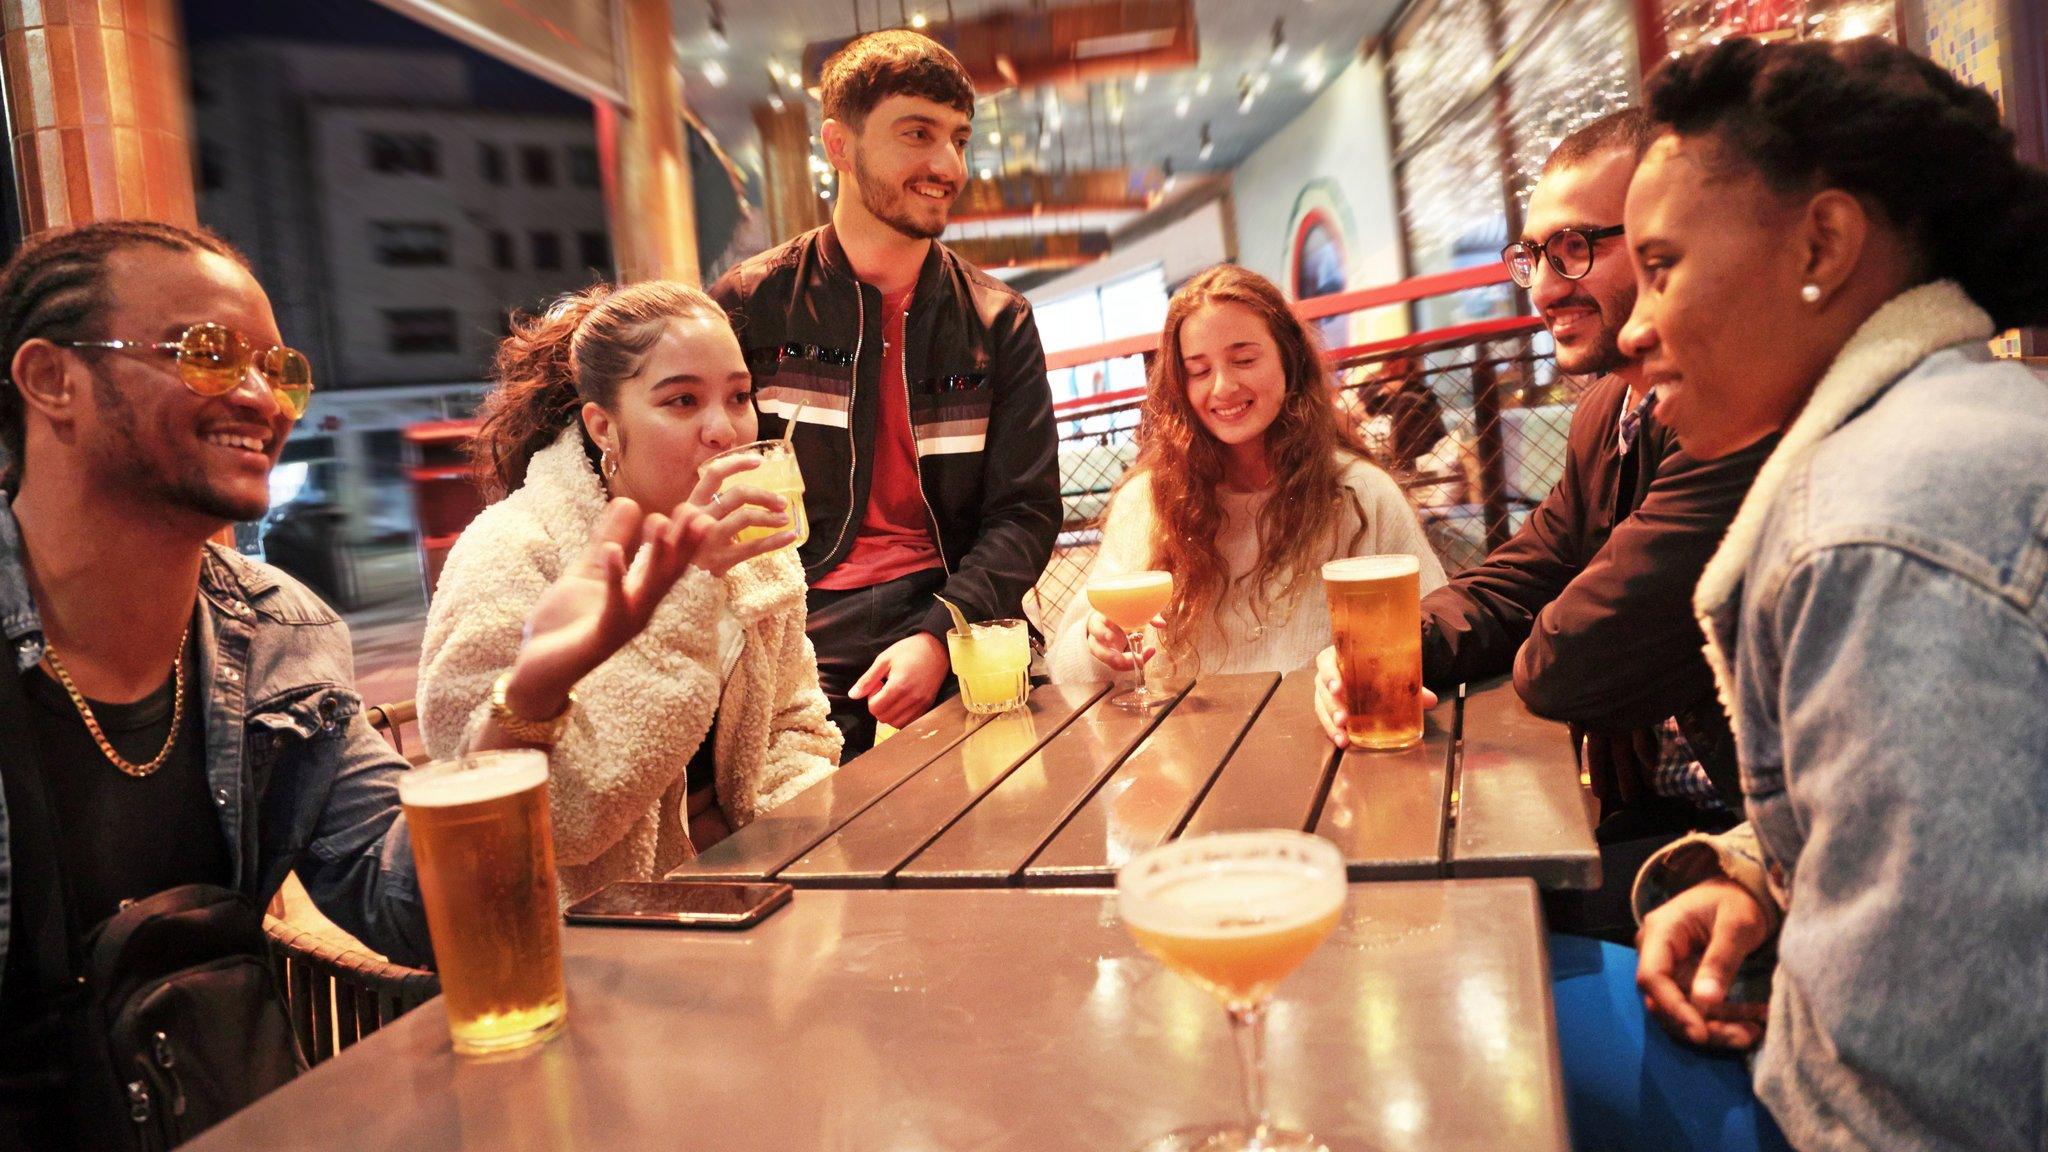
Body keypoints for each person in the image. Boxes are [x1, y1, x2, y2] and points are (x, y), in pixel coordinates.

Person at [0, 222, 718, 1147]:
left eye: (280, 367)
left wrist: (533, 691)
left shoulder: (274, 635)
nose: (262, 397)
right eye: (209, 354)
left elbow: (416, 912)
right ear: (51, 380)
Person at [1617, 36, 2048, 1151]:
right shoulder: (1952, 429)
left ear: (1821, 240)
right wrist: (1757, 880)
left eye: (1657, 267)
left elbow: (1921, 1098)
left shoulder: (1875, 524)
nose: (1628, 326)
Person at [1311, 109, 1772, 937]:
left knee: (1469, 918)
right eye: (1532, 256)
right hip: (1665, 815)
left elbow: (1569, 656)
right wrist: (1385, 654)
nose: (1544, 287)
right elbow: (1521, 576)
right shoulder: (1607, 411)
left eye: (1574, 249)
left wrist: (1587, 669)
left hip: (1759, 848)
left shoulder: (1734, 411)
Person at [418, 282, 842, 907]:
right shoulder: (511, 554)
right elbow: (567, 822)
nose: (724, 430)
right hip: (595, 924)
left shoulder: (751, 547)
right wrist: (688, 590)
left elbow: (792, 723)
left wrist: (794, 856)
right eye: (682, 401)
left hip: (752, 891)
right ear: (604, 427)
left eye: (739, 396)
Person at [709, 29, 1060, 756]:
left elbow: (1025, 513)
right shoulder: (753, 304)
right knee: (796, 820)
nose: (947, 165)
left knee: (1027, 793)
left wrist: (940, 635)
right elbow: (698, 471)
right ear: (839, 146)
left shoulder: (997, 319)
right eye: (917, 134)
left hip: (956, 604)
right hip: (799, 616)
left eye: (959, 138)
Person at [1047, 265, 1445, 684]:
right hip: (1184, 747)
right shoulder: (1149, 502)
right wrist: (1098, 643)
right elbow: (1066, 670)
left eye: (1244, 359)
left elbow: (1436, 642)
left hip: (1323, 744)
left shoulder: (1360, 494)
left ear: (1288, 360)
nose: (1222, 387)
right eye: (1198, 371)